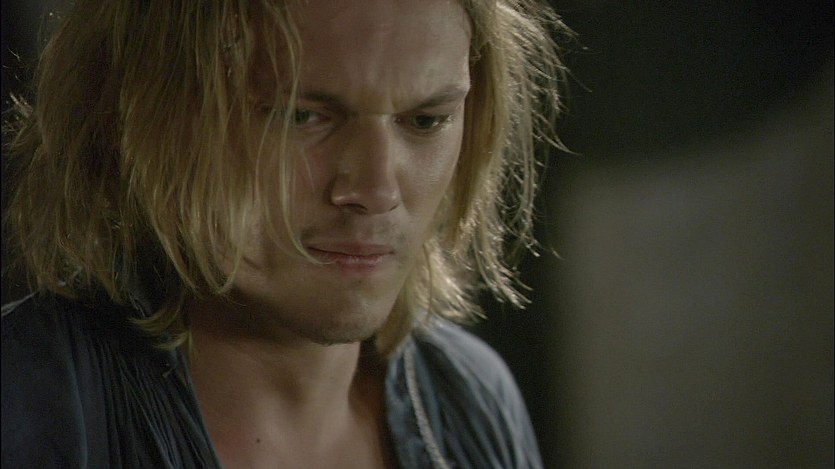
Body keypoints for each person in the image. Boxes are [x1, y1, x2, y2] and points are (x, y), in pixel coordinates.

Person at [1, 0, 568, 467]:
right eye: (301, 115)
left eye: (426, 120)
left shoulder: (467, 398)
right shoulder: (33, 398)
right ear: (143, 115)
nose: (376, 190)